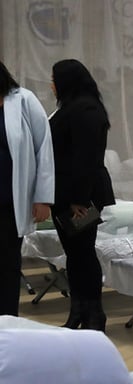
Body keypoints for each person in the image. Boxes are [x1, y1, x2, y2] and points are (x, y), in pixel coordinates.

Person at [49, 59, 115, 331]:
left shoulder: (86, 109)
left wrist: (78, 199)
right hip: (67, 195)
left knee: (83, 254)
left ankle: (94, 314)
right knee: (75, 255)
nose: (51, 85)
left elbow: (85, 158)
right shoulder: (72, 107)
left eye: (54, 79)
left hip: (80, 198)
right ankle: (78, 311)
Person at [0, 61, 54, 316]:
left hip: (12, 199)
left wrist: (43, 198)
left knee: (8, 262)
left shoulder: (23, 100)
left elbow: (43, 148)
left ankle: (7, 320)